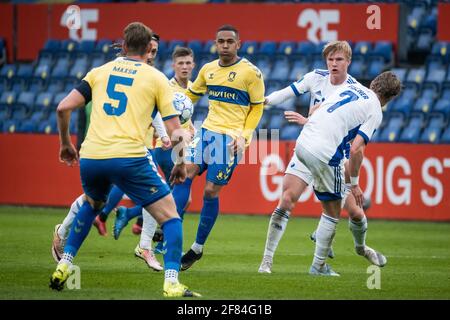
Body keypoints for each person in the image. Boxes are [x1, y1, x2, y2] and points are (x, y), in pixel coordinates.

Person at [49, 22, 200, 297]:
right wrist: (180, 164)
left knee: (93, 203)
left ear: (124, 44)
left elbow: (63, 107)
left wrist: (66, 144)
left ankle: (66, 263)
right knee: (171, 218)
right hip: (130, 156)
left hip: (92, 156)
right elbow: (177, 131)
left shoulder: (99, 72)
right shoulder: (155, 78)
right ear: (149, 49)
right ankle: (171, 282)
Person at [258, 41, 387, 274]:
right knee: (287, 199)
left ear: (348, 62)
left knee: (355, 212)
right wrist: (262, 102)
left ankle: (351, 244)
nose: (333, 64)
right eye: (330, 59)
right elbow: (286, 93)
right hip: (311, 146)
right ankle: (267, 261)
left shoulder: (354, 88)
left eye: (339, 59)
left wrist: (307, 120)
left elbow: (335, 121)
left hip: (336, 153)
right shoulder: (316, 77)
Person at [51, 33, 167, 272]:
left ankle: (144, 246)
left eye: (155, 52)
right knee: (94, 199)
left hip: (138, 147)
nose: (151, 55)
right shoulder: (109, 75)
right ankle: (63, 231)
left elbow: (154, 111)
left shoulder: (151, 78)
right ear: (140, 48)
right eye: (149, 50)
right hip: (111, 146)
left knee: (153, 193)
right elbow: (86, 109)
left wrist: (163, 134)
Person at [171, 24, 265, 271]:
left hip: (230, 138)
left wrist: (244, 136)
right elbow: (190, 97)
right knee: (184, 174)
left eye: (229, 42)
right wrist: (172, 115)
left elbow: (257, 107)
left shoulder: (251, 74)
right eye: (220, 41)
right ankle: (171, 233)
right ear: (215, 43)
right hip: (206, 132)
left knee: (211, 191)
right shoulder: (208, 70)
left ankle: (197, 248)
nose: (224, 45)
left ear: (238, 44)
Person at [295, 71, 401, 275]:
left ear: (373, 82)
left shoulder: (352, 86)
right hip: (325, 151)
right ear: (390, 98)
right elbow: (357, 150)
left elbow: (317, 108)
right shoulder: (375, 110)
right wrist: (355, 183)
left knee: (344, 206)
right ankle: (318, 266)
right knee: (333, 212)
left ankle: (342, 242)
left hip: (303, 142)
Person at [113, 46, 196, 256]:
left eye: (188, 63)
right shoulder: (164, 86)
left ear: (193, 65)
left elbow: (183, 116)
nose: (185, 67)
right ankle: (159, 241)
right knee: (177, 195)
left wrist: (190, 127)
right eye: (180, 63)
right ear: (173, 66)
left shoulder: (193, 88)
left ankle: (136, 220)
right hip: (164, 146)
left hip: (179, 145)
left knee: (174, 196)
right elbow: (155, 115)